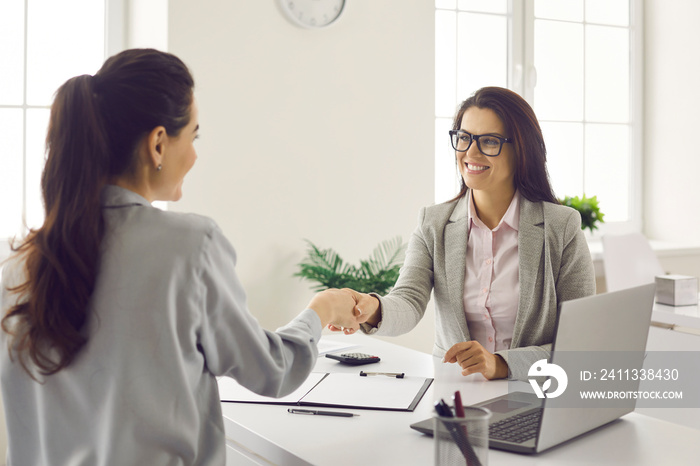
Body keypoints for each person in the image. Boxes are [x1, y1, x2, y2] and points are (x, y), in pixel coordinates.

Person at [0, 48, 359, 465]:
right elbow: (272, 371)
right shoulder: (189, 246)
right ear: (158, 143)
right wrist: (320, 310)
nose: (194, 154)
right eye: (194, 136)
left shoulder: (17, 268)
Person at [331, 87, 595, 381]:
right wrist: (372, 308)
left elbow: (578, 345)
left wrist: (502, 364)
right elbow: (408, 300)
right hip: (453, 395)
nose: (470, 152)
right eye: (464, 137)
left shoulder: (561, 227)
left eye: (490, 141)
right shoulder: (434, 223)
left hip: (533, 395)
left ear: (521, 150)